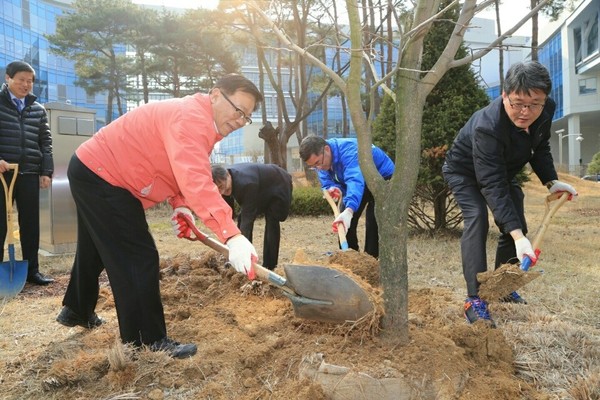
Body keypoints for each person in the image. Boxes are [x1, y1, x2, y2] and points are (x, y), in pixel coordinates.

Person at [56, 74, 263, 359]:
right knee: (137, 255)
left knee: (96, 246)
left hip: (92, 169)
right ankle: (146, 341)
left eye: (247, 117)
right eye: (238, 110)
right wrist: (233, 234)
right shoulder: (191, 119)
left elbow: (181, 169)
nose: (240, 121)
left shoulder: (199, 121)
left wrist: (181, 206)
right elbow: (195, 180)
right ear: (215, 94)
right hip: (104, 175)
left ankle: (77, 309)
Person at [442, 61, 577, 327]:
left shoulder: (544, 109)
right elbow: (491, 183)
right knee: (477, 217)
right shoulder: (487, 126)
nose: (526, 112)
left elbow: (540, 148)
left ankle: (501, 288)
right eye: (517, 103)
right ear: (504, 95)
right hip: (464, 172)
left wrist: (551, 181)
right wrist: (518, 236)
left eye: (534, 104)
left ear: (544, 99)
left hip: (500, 170)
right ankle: (475, 298)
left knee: (516, 219)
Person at [0, 61, 54, 285]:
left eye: (29, 81)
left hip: (30, 172)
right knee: (1, 223)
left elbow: (46, 143)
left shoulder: (38, 109)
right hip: (3, 174)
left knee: (31, 224)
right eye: (21, 79)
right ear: (8, 78)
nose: (25, 84)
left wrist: (46, 171)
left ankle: (32, 271)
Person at [299, 136, 394, 258]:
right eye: (313, 166)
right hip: (359, 181)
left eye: (318, 163)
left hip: (383, 178)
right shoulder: (322, 161)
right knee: (343, 222)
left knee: (373, 219)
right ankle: (350, 258)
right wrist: (333, 188)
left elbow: (354, 180)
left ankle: (371, 261)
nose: (318, 168)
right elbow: (327, 181)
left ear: (326, 149)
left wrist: (350, 210)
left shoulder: (350, 151)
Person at [211, 163, 293, 270]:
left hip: (279, 183)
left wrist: (239, 247)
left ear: (228, 175)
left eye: (222, 187)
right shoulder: (223, 184)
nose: (221, 192)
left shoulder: (246, 183)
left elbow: (248, 219)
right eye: (218, 190)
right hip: (261, 184)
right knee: (241, 219)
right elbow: (228, 217)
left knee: (272, 219)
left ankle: (270, 265)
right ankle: (246, 259)